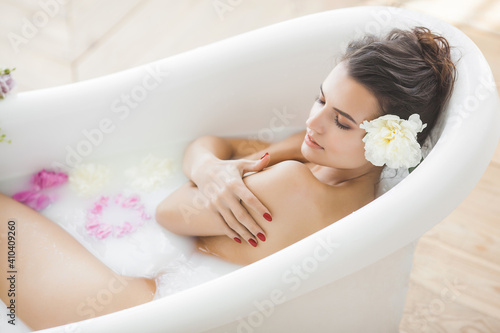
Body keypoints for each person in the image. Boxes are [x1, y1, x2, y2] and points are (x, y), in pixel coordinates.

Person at [0, 26, 456, 330]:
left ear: (386, 142)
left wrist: (210, 169)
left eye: (341, 121)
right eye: (320, 100)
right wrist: (208, 169)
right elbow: (219, 145)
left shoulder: (294, 187)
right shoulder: (335, 168)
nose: (314, 123)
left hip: (131, 312)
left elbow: (171, 213)